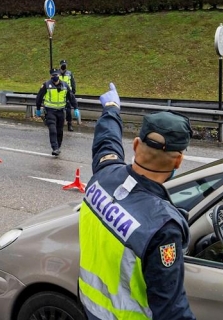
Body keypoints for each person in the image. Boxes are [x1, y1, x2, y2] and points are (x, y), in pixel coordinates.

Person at [79, 83, 195, 320]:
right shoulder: (162, 228)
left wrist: (111, 108)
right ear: (179, 161)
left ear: (134, 145)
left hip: (89, 310)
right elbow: (172, 310)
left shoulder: (104, 175)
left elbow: (106, 142)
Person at [35, 68, 79, 156]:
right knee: (53, 130)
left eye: (56, 75)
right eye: (53, 75)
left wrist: (76, 108)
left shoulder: (65, 85)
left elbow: (71, 97)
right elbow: (39, 97)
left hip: (61, 112)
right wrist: (38, 108)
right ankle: (54, 147)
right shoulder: (46, 85)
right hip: (50, 111)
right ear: (50, 76)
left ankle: (58, 147)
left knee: (60, 131)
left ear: (59, 75)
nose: (55, 77)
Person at [59, 59, 77, 131]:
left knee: (68, 110)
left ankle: (69, 124)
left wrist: (73, 92)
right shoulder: (57, 73)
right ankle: (60, 123)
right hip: (59, 94)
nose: (64, 66)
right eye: (63, 64)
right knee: (59, 110)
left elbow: (73, 82)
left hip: (68, 94)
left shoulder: (69, 73)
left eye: (65, 64)